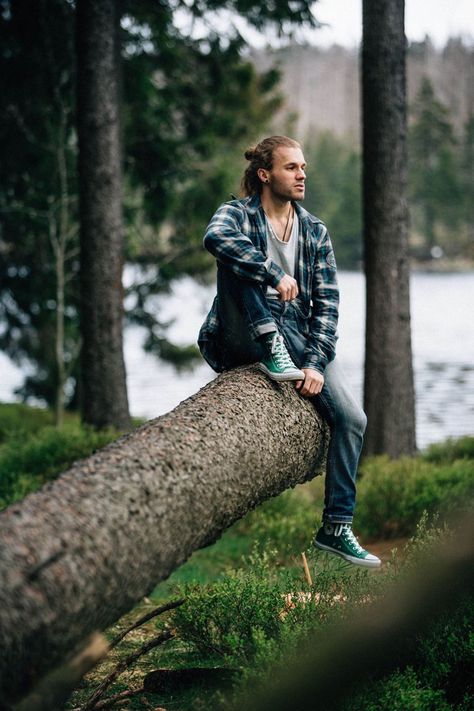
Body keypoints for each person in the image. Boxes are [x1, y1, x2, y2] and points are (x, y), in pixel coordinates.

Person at [198, 135, 381, 568]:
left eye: (302, 167)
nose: (302, 175)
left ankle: (335, 528)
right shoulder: (237, 214)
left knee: (354, 419)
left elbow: (328, 306)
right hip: (241, 331)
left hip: (298, 334)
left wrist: (316, 362)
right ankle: (272, 349)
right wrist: (270, 271)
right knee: (234, 255)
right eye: (291, 168)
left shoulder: (315, 230)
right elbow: (214, 238)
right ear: (265, 175)